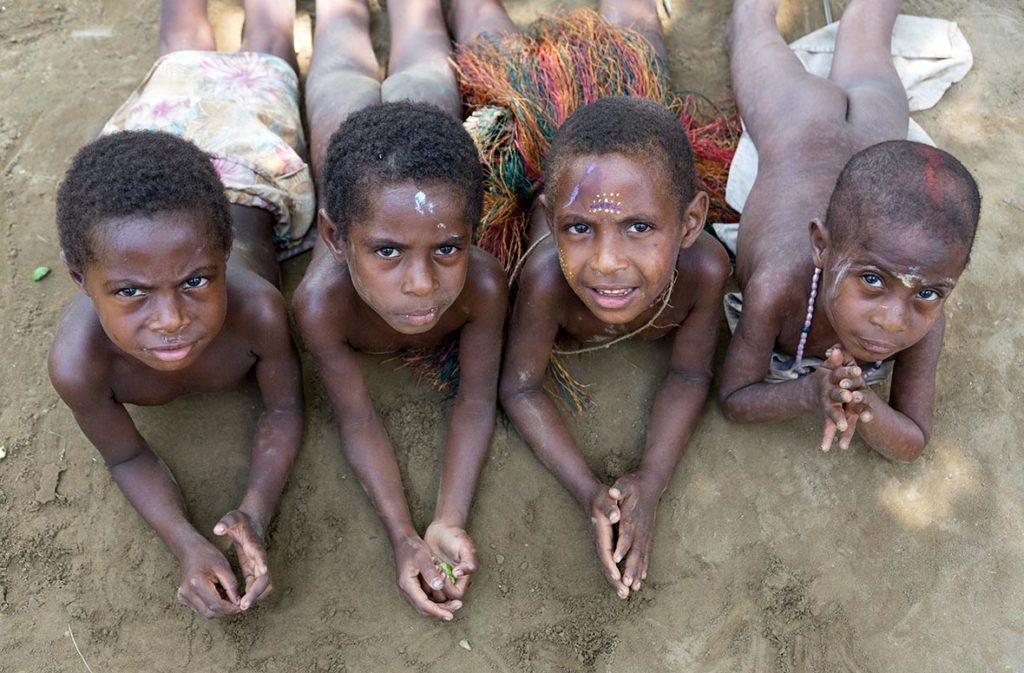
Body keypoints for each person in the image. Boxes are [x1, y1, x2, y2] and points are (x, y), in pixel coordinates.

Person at [449, 0, 731, 600]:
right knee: (486, 41)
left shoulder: (706, 268)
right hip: (541, 126)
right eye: (579, 229)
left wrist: (651, 480)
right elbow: (518, 387)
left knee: (639, 40)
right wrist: (587, 491)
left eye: (639, 227)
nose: (605, 263)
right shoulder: (547, 280)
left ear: (690, 223)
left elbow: (690, 373)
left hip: (620, 127)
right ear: (551, 220)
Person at [48, 0, 308, 618]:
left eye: (196, 280)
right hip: (162, 152)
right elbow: (126, 454)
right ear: (81, 281)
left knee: (269, 50)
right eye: (130, 291)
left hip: (243, 158)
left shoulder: (259, 314)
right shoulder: (79, 365)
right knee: (179, 52)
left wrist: (258, 508)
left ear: (223, 258)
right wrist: (187, 544)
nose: (169, 319)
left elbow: (285, 406)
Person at [292, 0, 507, 622]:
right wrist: (401, 534)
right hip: (343, 124)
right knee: (337, 40)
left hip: (426, 117)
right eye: (386, 251)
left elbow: (475, 399)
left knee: (421, 38)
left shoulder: (484, 288)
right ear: (335, 239)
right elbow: (356, 419)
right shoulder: (319, 305)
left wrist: (447, 519)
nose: (420, 284)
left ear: (474, 232)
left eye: (447, 247)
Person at [718, 0, 980, 461]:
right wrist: (807, 393)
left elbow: (912, 441)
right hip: (796, 121)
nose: (893, 319)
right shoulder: (778, 288)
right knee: (749, 25)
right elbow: (735, 398)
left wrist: (865, 405)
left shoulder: (925, 318)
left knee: (867, 23)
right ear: (821, 245)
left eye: (929, 292)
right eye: (873, 280)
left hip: (876, 127)